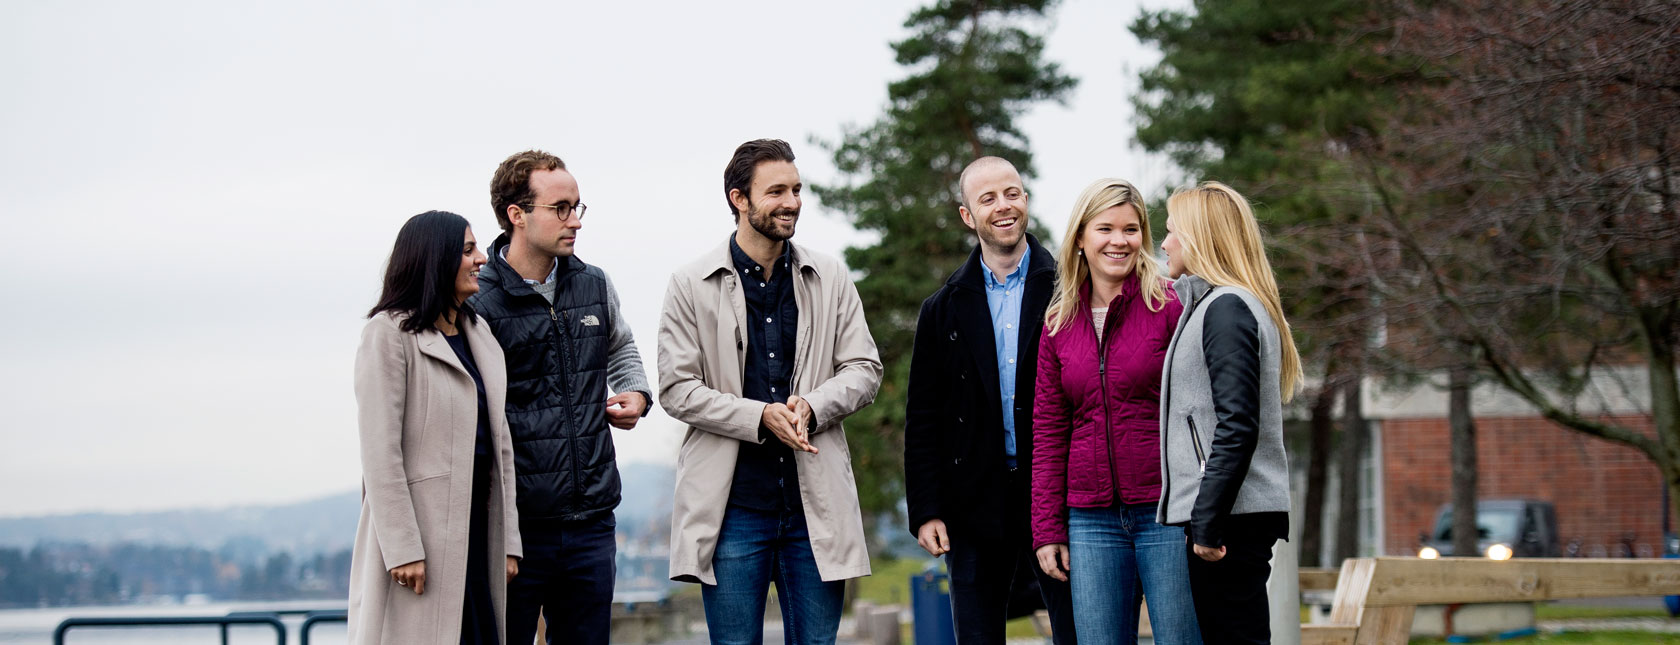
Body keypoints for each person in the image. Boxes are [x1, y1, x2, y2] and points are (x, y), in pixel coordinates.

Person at [659, 138, 882, 644]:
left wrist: (814, 405)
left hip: (815, 512)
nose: (792, 202)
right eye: (776, 191)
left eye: (797, 190)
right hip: (733, 511)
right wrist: (759, 416)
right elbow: (676, 389)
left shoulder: (831, 276)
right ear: (739, 199)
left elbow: (865, 368)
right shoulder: (689, 283)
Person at [468, 151, 653, 645]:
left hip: (593, 522)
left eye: (578, 208)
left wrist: (635, 392)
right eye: (561, 208)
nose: (575, 221)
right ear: (517, 214)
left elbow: (622, 348)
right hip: (515, 530)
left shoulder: (593, 284)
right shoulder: (477, 302)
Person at [903, 156, 1077, 644]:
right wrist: (927, 508)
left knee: (1076, 632)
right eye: (988, 198)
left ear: (1025, 200)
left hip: (1056, 494)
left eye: (1012, 194)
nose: (1004, 207)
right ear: (967, 215)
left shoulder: (1070, 287)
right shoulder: (941, 309)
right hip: (972, 503)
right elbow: (923, 418)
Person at [1030, 179, 1199, 644]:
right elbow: (1047, 431)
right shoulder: (1058, 323)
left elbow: (1198, 411)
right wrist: (1047, 529)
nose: (1119, 241)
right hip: (1089, 519)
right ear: (1081, 237)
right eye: (1105, 228)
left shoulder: (1170, 305)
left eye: (1131, 229)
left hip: (1166, 511)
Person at [350, 211, 521, 645]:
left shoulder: (479, 335)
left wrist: (508, 541)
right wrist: (403, 548)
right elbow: (379, 453)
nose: (481, 258)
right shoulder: (388, 335)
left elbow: (500, 445)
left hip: (477, 537)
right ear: (435, 260)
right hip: (422, 542)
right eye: (468, 250)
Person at [1157, 181, 1301, 645]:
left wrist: (1207, 520)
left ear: (1199, 236)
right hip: (1229, 514)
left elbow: (1238, 424)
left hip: (1230, 519)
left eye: (1172, 230)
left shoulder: (1225, 309)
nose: (1163, 242)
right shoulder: (1215, 305)